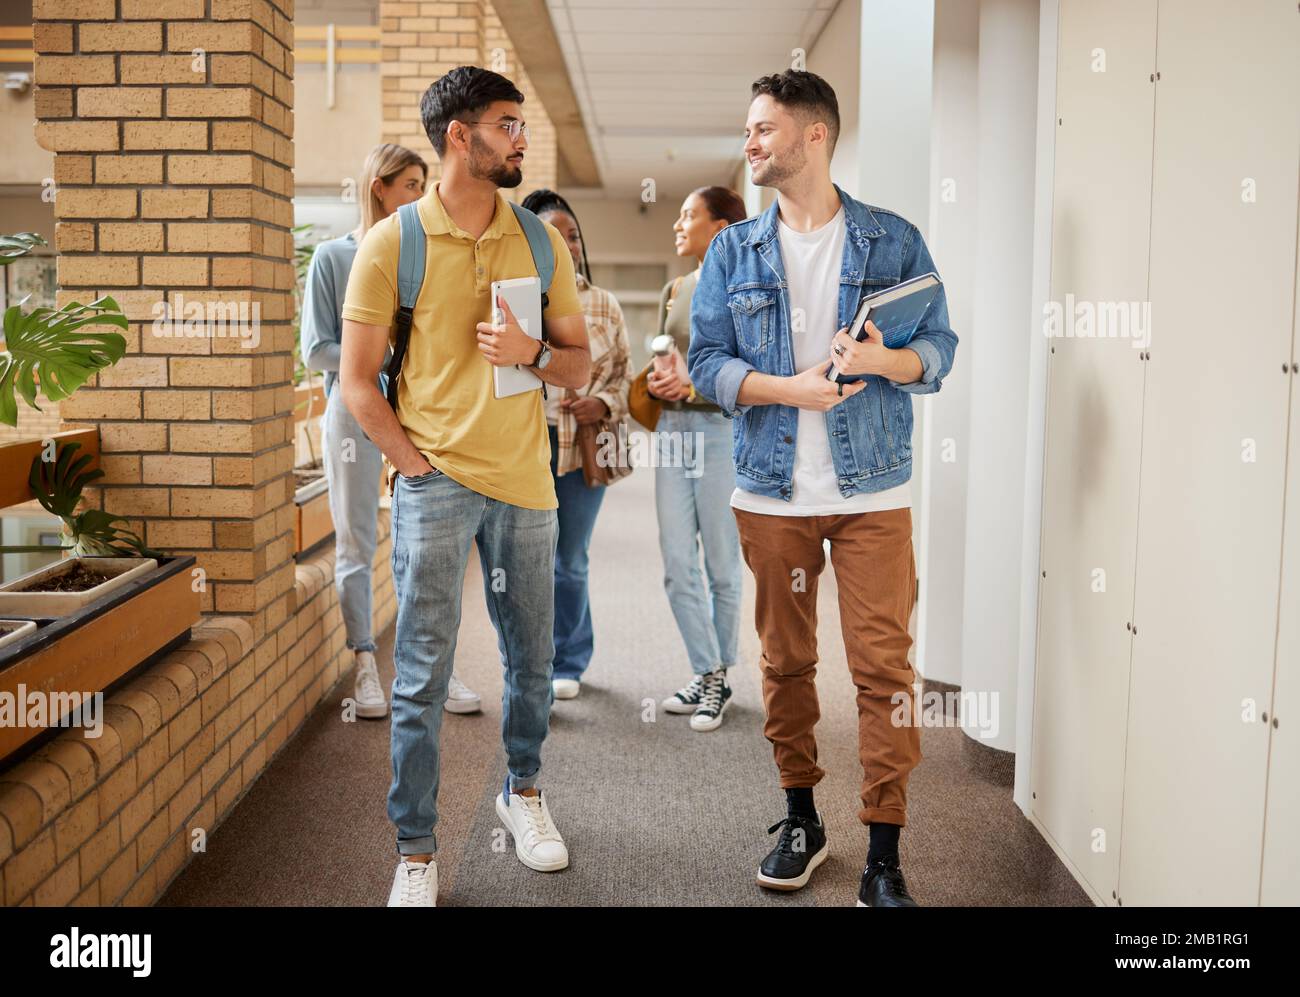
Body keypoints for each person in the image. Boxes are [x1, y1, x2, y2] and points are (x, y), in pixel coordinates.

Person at [688, 70, 958, 907]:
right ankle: (800, 815)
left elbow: (939, 352)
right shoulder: (732, 250)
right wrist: (787, 389)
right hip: (771, 490)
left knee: (885, 670)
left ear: (815, 135)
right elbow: (706, 365)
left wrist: (883, 362)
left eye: (763, 128)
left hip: (873, 487)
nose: (750, 143)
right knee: (786, 662)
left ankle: (885, 852)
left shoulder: (892, 239)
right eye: (747, 129)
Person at [339, 66, 591, 907]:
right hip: (436, 483)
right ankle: (416, 847)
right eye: (508, 124)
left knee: (531, 659)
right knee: (420, 670)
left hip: (526, 485)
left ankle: (522, 793)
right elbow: (357, 383)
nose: (522, 139)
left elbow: (579, 362)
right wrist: (415, 466)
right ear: (461, 135)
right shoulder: (393, 244)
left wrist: (531, 357)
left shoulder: (538, 240)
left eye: (521, 124)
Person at [301, 144, 482, 721]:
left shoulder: (421, 254)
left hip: (423, 413)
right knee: (357, 540)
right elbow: (317, 350)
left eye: (422, 185)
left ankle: (434, 666)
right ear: (379, 187)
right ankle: (364, 663)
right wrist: (376, 360)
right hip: (354, 417)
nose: (419, 195)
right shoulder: (334, 257)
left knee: (428, 544)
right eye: (409, 185)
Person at [520, 188, 633, 701]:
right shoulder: (519, 297)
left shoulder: (603, 303)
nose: (570, 245)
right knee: (527, 559)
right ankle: (529, 663)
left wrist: (603, 404)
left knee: (570, 558)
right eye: (556, 237)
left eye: (574, 236)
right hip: (527, 444)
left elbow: (625, 375)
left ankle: (569, 660)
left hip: (584, 443)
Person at [650, 187, 748, 732]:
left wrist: (695, 385)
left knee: (720, 562)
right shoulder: (676, 287)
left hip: (718, 430)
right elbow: (670, 362)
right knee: (675, 563)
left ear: (719, 227)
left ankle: (717, 674)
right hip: (673, 429)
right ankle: (707, 669)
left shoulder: (745, 284)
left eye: (689, 215)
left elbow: (751, 368)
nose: (678, 225)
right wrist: (661, 380)